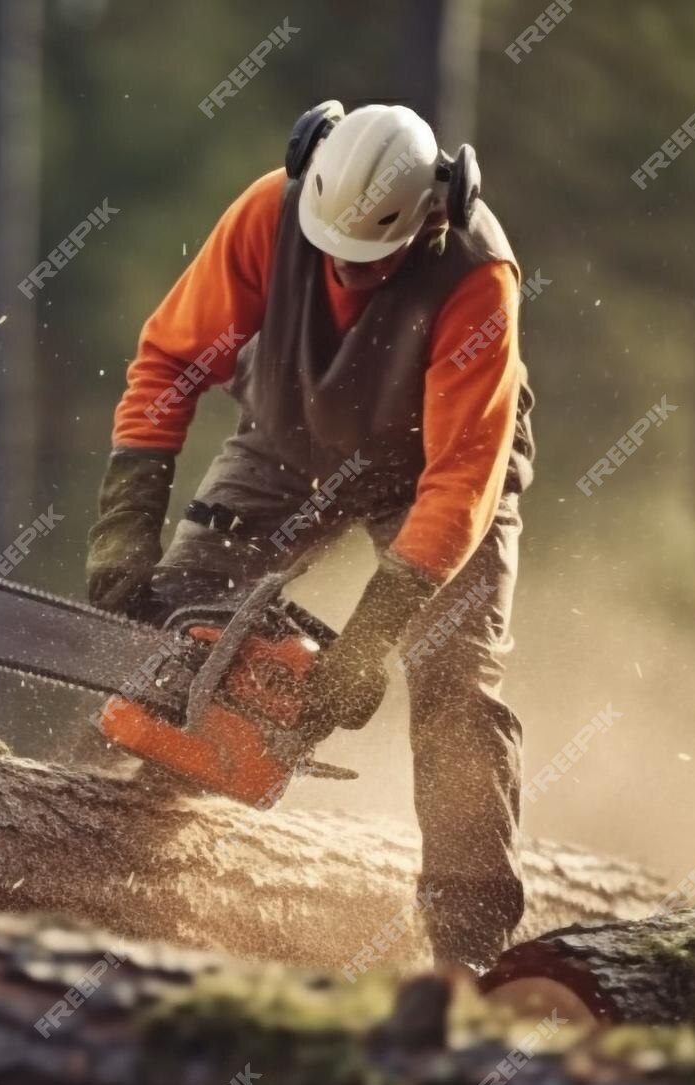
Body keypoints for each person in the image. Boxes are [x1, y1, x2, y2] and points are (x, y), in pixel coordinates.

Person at [84, 101, 535, 971]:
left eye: (367, 260)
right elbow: (174, 360)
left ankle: (469, 958)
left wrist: (371, 635)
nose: (343, 268)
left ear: (427, 218)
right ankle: (111, 840)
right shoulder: (269, 211)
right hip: (289, 435)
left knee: (454, 683)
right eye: (331, 247)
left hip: (433, 469)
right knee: (173, 619)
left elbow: (459, 480)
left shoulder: (478, 275)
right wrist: (125, 522)